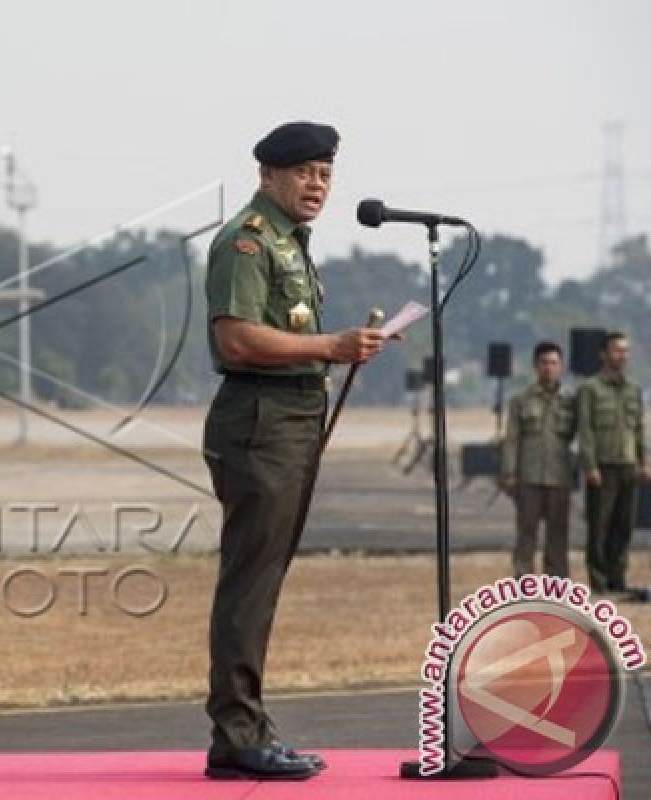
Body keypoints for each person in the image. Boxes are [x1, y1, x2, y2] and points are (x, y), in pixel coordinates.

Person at [202, 122, 386, 781]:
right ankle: (237, 731)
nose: (317, 185)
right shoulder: (248, 243)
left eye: (325, 174)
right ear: (266, 176)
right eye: (305, 172)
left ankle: (243, 729)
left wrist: (342, 352)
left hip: (291, 419)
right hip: (260, 421)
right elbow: (238, 340)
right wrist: (329, 348)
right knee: (249, 582)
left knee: (263, 580)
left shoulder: (290, 245)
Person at [577, 331, 649, 594]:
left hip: (628, 465)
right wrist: (590, 466)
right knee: (599, 527)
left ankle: (618, 578)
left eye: (626, 351)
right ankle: (599, 581)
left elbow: (639, 427)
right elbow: (585, 430)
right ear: (604, 354)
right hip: (603, 467)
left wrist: (645, 461)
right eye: (617, 350)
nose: (622, 356)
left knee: (624, 525)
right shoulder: (590, 389)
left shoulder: (633, 389)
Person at [499, 342, 575, 578]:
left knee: (558, 535)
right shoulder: (520, 401)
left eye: (553, 363)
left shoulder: (571, 402)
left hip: (559, 477)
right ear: (535, 366)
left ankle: (557, 584)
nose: (549, 368)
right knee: (526, 533)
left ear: (561, 366)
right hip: (528, 477)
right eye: (544, 363)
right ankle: (524, 582)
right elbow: (511, 439)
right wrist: (509, 473)